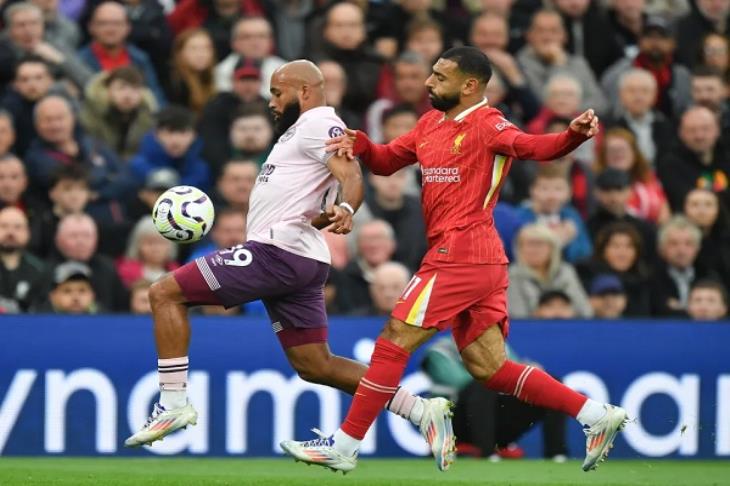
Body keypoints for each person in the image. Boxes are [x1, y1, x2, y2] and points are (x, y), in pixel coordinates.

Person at [282, 46, 626, 474]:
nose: (429, 82)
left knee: (394, 337)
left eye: (440, 77)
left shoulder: (488, 124)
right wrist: (363, 143)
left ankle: (346, 444)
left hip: (461, 254)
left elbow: (535, 147)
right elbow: (388, 162)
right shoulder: (430, 124)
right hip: (477, 260)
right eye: (432, 73)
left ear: (469, 85)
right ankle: (595, 414)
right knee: (491, 368)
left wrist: (573, 136)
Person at [123, 61, 451, 465]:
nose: (271, 102)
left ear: (305, 92)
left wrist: (347, 205)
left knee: (164, 293)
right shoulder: (296, 133)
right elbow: (312, 197)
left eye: (278, 94)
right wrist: (326, 212)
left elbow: (351, 173)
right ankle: (420, 410)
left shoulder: (319, 124)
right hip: (300, 256)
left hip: (277, 254)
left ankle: (172, 402)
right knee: (316, 364)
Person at [421, 335, 568, 462]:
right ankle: (487, 452)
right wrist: (498, 375)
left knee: (548, 382)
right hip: (455, 424)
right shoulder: (440, 351)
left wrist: (530, 374)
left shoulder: (499, 346)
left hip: (493, 420)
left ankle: (556, 454)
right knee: (483, 385)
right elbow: (459, 382)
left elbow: (516, 380)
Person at [516, 9, 607, 115]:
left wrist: (572, 111)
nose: (547, 37)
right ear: (529, 35)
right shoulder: (520, 64)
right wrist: (557, 64)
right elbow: (543, 104)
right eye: (540, 31)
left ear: (564, 36)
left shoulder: (579, 63)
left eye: (554, 31)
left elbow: (600, 104)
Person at [77, 1, 166, 105]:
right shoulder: (79, 60)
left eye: (117, 23)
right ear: (91, 27)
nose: (111, 29)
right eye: (103, 23)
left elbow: (156, 97)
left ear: (128, 27)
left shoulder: (140, 59)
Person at [507, 223, 592, 319]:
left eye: (539, 244)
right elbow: (517, 315)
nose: (533, 250)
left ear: (552, 248)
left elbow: (584, 310)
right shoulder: (513, 275)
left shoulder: (566, 272)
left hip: (570, 328)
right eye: (528, 244)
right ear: (519, 249)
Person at [515, 164, 593, 263]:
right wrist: (555, 241)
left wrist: (569, 241)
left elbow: (585, 252)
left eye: (558, 189)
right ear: (532, 191)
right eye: (544, 189)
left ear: (569, 193)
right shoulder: (519, 216)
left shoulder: (572, 216)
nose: (551, 196)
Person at [657, 106, 730, 212]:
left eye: (705, 129)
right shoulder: (670, 164)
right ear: (681, 134)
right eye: (692, 130)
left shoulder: (726, 157)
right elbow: (685, 201)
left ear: (717, 130)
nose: (699, 136)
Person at [79, 66, 157, 160]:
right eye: (121, 88)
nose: (128, 95)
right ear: (107, 90)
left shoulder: (147, 118)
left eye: (135, 89)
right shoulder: (91, 115)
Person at [594, 128, 670, 224]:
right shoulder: (597, 181)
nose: (618, 154)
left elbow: (663, 208)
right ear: (604, 156)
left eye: (622, 149)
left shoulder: (648, 176)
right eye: (612, 150)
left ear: (634, 152)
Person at [577, 222, 651, 317]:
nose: (622, 253)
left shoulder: (644, 279)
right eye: (615, 246)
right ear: (602, 250)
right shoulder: (585, 275)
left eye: (629, 247)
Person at [129, 105, 211, 190]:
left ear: (194, 136)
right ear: (156, 134)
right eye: (169, 132)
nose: (175, 140)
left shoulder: (201, 170)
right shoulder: (137, 167)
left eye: (183, 133)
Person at [649, 216, 716, 316]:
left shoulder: (711, 278)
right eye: (674, 244)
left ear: (697, 248)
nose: (681, 250)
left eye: (688, 244)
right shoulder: (650, 280)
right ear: (661, 249)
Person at [214, 16, 285, 97]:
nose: (255, 43)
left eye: (261, 36)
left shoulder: (287, 71)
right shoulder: (221, 71)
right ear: (234, 42)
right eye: (247, 37)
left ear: (271, 41)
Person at [0, 206, 46, 313]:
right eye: (4, 226)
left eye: (18, 227)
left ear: (28, 233)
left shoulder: (40, 270)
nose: (10, 233)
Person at [116, 216, 180, 288]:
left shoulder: (178, 274)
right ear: (137, 245)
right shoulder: (125, 274)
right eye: (149, 243)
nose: (156, 248)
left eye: (161, 242)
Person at [165, 28, 217, 114]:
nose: (201, 54)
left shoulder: (212, 77)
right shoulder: (175, 84)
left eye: (206, 48)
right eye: (193, 49)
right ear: (180, 53)